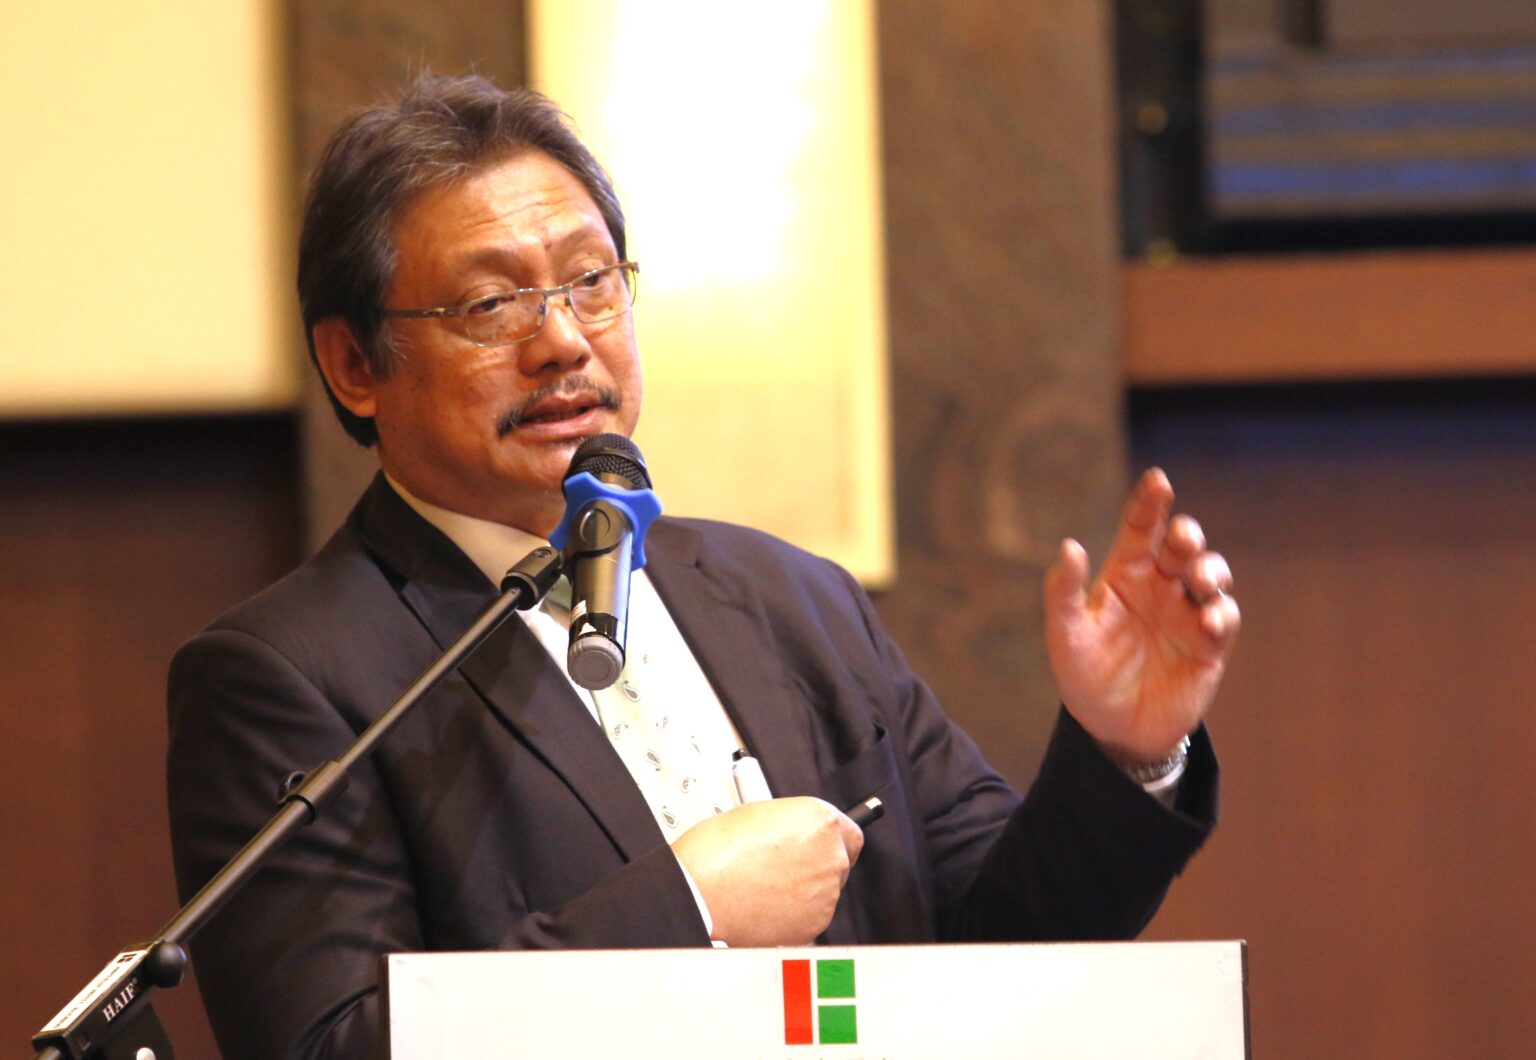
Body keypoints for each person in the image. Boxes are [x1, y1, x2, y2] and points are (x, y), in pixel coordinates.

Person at [167, 74, 1239, 1060]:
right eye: (491, 304)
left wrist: (1125, 750)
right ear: (355, 363)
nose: (563, 341)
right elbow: (331, 1048)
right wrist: (686, 909)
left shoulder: (792, 598)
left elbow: (996, 948)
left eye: (592, 281)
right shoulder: (286, 676)